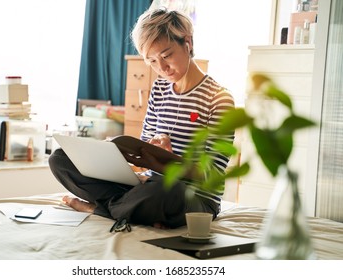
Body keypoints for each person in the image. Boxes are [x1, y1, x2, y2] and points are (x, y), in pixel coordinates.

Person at [48, 8, 235, 230]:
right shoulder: (159, 89)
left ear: (188, 42)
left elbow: (211, 175)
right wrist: (120, 157)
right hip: (148, 186)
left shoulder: (219, 99)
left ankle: (98, 209)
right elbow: (143, 152)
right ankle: (128, 209)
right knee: (60, 159)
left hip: (191, 198)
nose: (162, 68)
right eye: (152, 61)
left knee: (164, 191)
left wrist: (168, 162)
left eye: (166, 56)